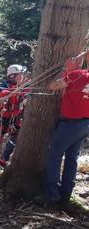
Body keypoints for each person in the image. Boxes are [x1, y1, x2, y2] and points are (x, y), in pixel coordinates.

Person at [39, 51, 89, 205]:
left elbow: (53, 86)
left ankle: (52, 195)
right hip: (85, 124)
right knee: (72, 158)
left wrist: (67, 69)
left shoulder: (77, 74)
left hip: (70, 124)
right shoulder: (80, 74)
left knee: (55, 156)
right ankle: (66, 194)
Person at [0, 64, 28, 166]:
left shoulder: (27, 87)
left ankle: (4, 160)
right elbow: (2, 95)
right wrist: (14, 92)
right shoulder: (5, 87)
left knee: (15, 141)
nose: (23, 76)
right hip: (3, 119)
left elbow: (25, 100)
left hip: (17, 120)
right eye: (21, 74)